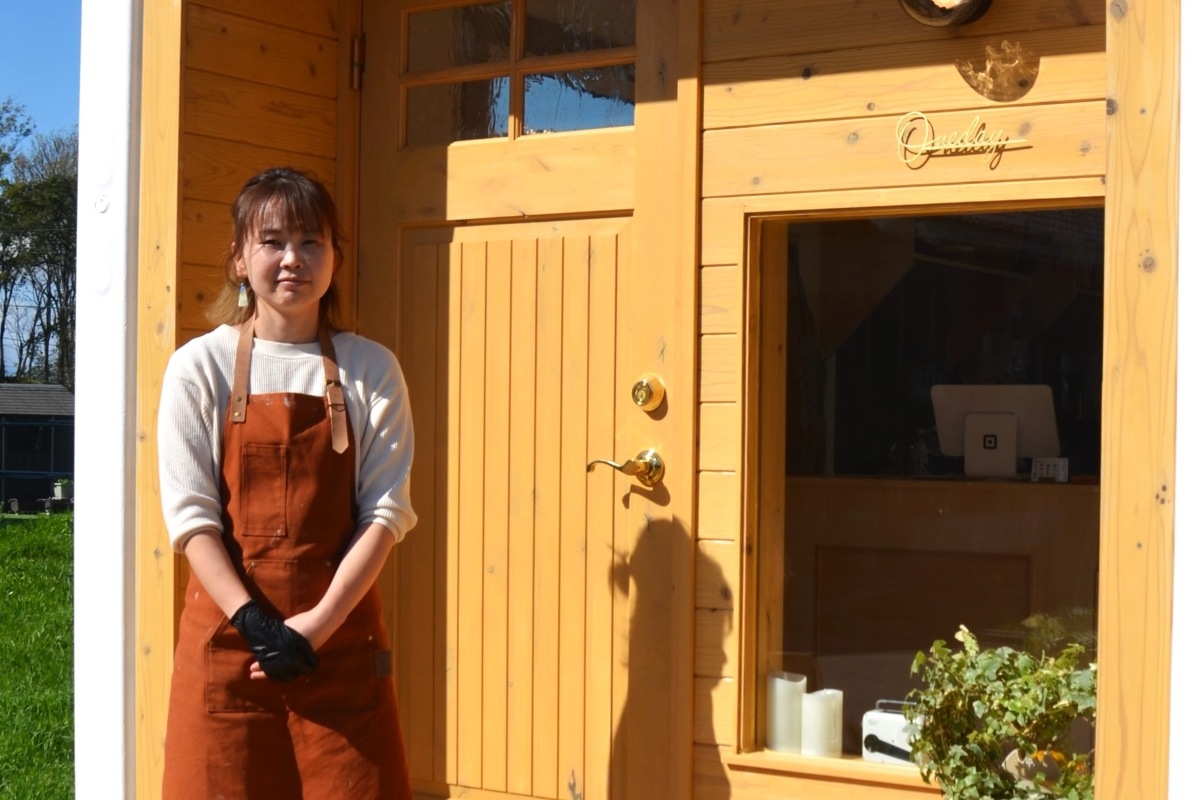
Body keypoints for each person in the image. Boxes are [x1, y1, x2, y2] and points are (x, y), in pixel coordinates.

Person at [157, 167, 415, 798]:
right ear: (241, 260)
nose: (292, 258)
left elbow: (385, 514)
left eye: (311, 242)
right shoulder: (199, 367)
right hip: (228, 650)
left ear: (335, 259)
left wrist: (317, 625)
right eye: (272, 241)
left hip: (340, 647)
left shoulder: (370, 369)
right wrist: (256, 623)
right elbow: (191, 520)